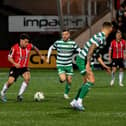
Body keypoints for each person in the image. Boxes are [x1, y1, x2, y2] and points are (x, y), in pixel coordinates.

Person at [70, 22, 113, 111]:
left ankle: (75, 101)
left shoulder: (102, 38)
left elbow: (96, 54)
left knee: (86, 82)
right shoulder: (100, 38)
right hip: (83, 60)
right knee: (91, 80)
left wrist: (105, 66)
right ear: (110, 29)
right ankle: (79, 102)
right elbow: (91, 48)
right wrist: (88, 63)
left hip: (85, 60)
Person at [0, 33, 44, 102]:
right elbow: (9, 57)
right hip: (15, 67)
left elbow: (34, 47)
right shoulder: (14, 48)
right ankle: (2, 93)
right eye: (25, 42)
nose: (27, 43)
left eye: (28, 42)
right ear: (21, 41)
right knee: (10, 82)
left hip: (24, 68)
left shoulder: (29, 46)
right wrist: (15, 63)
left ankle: (19, 95)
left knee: (27, 78)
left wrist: (40, 55)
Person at [46, 30, 81, 99]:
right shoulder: (58, 42)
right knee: (63, 79)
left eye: (66, 34)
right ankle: (61, 79)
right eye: (63, 35)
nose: (64, 36)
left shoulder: (73, 43)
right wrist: (48, 58)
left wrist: (81, 57)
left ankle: (66, 94)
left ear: (69, 35)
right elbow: (51, 48)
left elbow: (79, 50)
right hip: (60, 64)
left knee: (69, 81)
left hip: (68, 64)